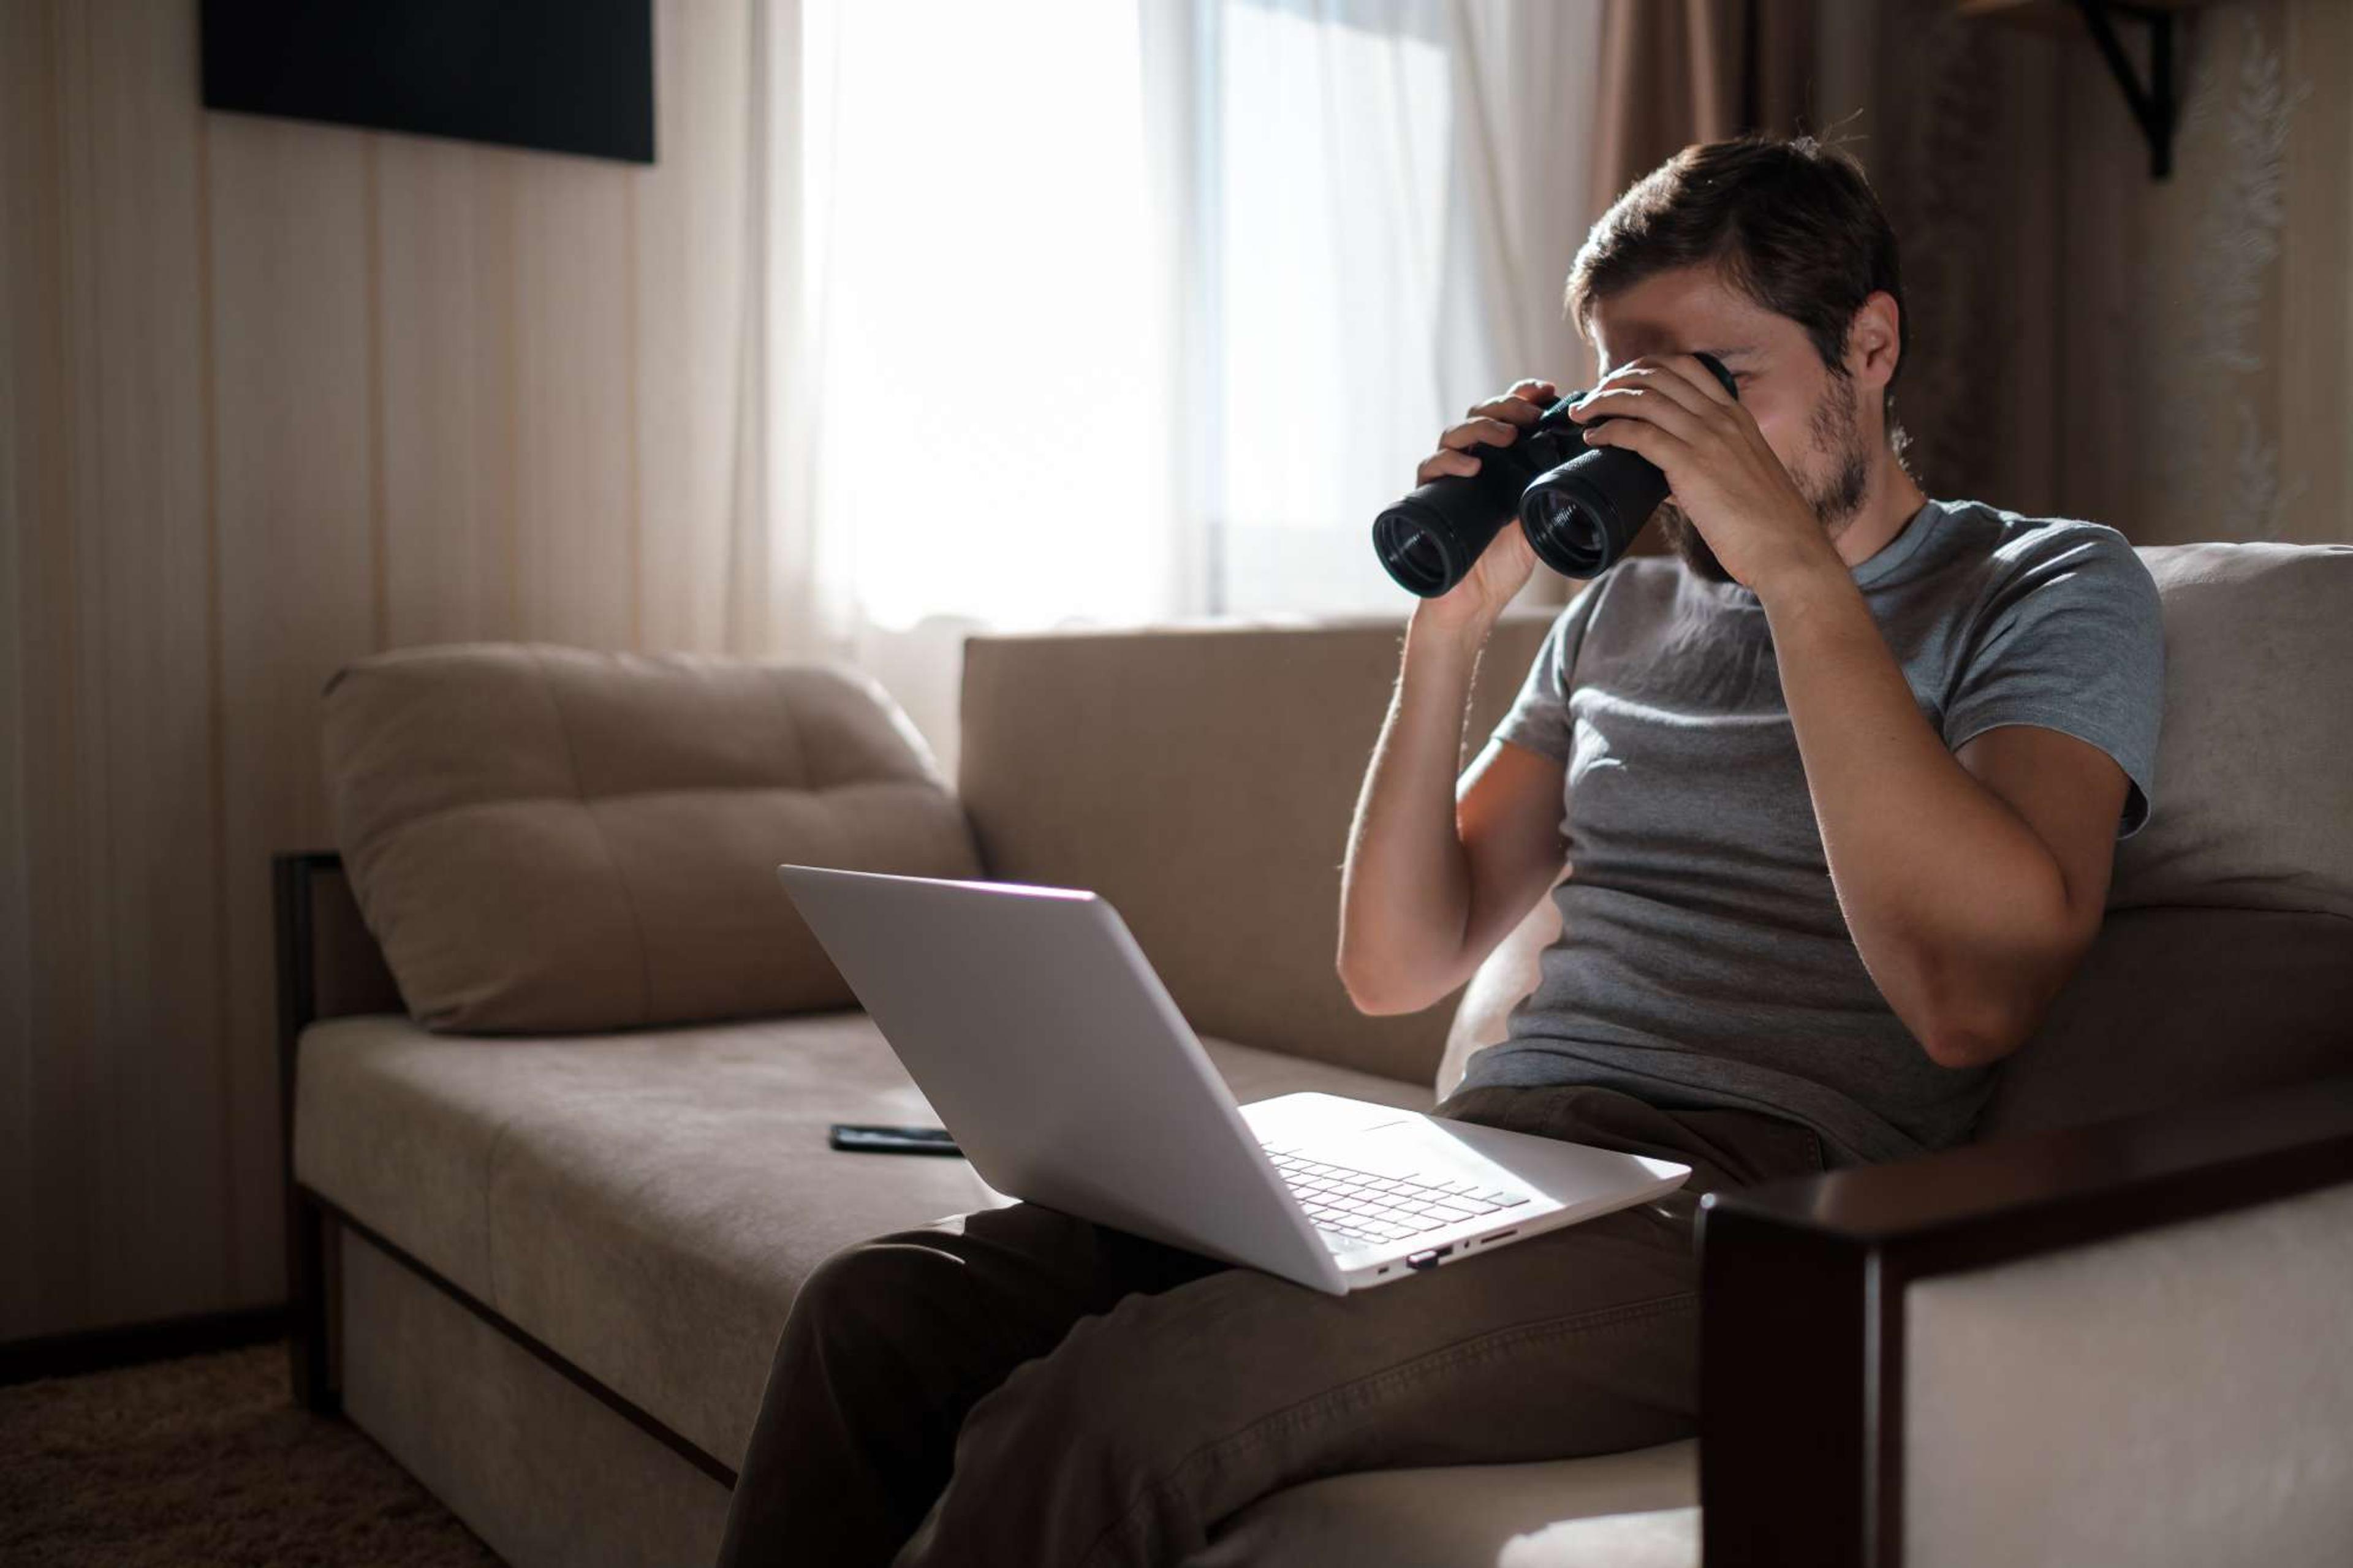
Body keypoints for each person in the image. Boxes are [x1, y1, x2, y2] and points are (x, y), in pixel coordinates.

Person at [713, 131, 2165, 1568]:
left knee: (1126, 1405)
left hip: (1752, 1205)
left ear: (1870, 344)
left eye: (1718, 385)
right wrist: (1452, 626)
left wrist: (1792, 565)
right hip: (1502, 1155)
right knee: (882, 1306)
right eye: (1633, 394)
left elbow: (1972, 999)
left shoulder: (2042, 585)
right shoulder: (1618, 617)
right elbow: (1395, 962)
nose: (1675, 446)